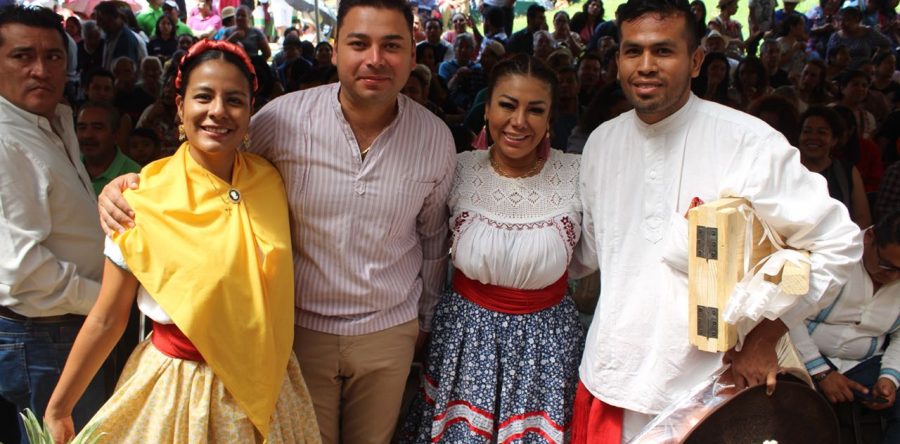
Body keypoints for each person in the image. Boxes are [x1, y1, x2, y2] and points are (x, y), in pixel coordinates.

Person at [98, 0, 456, 442]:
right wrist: (127, 186)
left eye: (392, 46)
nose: (375, 59)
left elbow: (433, 238)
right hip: (297, 334)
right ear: (335, 48)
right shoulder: (279, 122)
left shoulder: (435, 138)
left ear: (414, 56)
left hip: (388, 332)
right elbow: (211, 164)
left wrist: (422, 323)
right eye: (359, 43)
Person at [573, 0, 862, 442]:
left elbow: (839, 244)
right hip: (612, 380)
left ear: (695, 62)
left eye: (663, 51)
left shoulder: (747, 142)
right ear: (617, 62)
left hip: (712, 395)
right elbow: (590, 253)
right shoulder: (600, 144)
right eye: (634, 51)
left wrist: (766, 336)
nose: (646, 66)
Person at [44, 39, 321, 443]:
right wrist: (59, 407)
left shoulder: (269, 180)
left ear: (250, 112)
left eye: (235, 100)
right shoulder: (142, 200)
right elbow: (107, 318)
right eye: (203, 97)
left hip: (268, 382)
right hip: (182, 388)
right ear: (179, 107)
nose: (218, 112)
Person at [402, 53, 584, 444]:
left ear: (550, 118)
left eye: (536, 110)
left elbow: (592, 258)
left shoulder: (577, 175)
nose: (519, 121)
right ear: (486, 109)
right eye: (507, 105)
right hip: (465, 340)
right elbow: (427, 246)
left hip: (547, 346)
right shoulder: (458, 169)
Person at [0, 5, 108, 441]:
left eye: (53, 56)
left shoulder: (57, 119)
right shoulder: (6, 140)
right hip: (43, 337)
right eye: (22, 56)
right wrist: (107, 303)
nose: (40, 70)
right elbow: (22, 270)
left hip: (72, 328)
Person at [789, 211, 900, 444]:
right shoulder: (833, 253)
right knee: (798, 411)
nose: (892, 277)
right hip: (803, 355)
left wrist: (890, 377)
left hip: (864, 361)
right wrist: (821, 371)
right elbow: (788, 313)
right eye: (886, 266)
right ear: (869, 238)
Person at [797, 106, 871, 228]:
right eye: (807, 131)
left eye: (822, 132)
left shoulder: (847, 172)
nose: (813, 137)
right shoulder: (787, 169)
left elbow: (862, 218)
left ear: (834, 140)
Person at [77, 101, 141, 196]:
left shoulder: (135, 176)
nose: (87, 135)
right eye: (82, 128)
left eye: (97, 128)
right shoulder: (68, 167)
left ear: (115, 135)